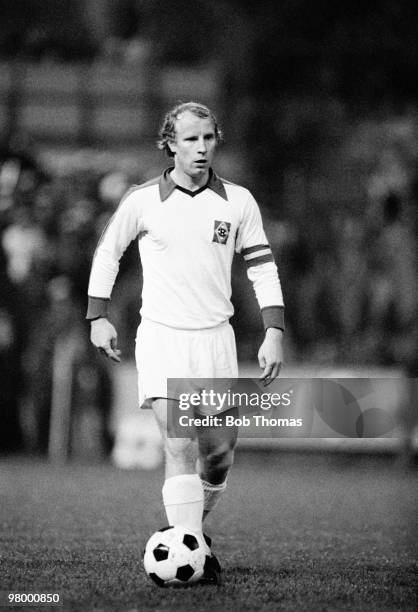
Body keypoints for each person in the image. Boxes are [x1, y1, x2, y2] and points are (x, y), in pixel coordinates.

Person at [86, 102, 285, 583]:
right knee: (178, 444)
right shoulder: (142, 200)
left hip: (215, 340)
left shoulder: (238, 202)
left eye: (208, 138)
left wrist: (274, 330)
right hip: (160, 337)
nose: (200, 148)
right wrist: (98, 316)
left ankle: (188, 533)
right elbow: (107, 254)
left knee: (217, 456)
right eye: (190, 139)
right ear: (170, 143)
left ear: (216, 140)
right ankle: (193, 553)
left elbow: (262, 266)